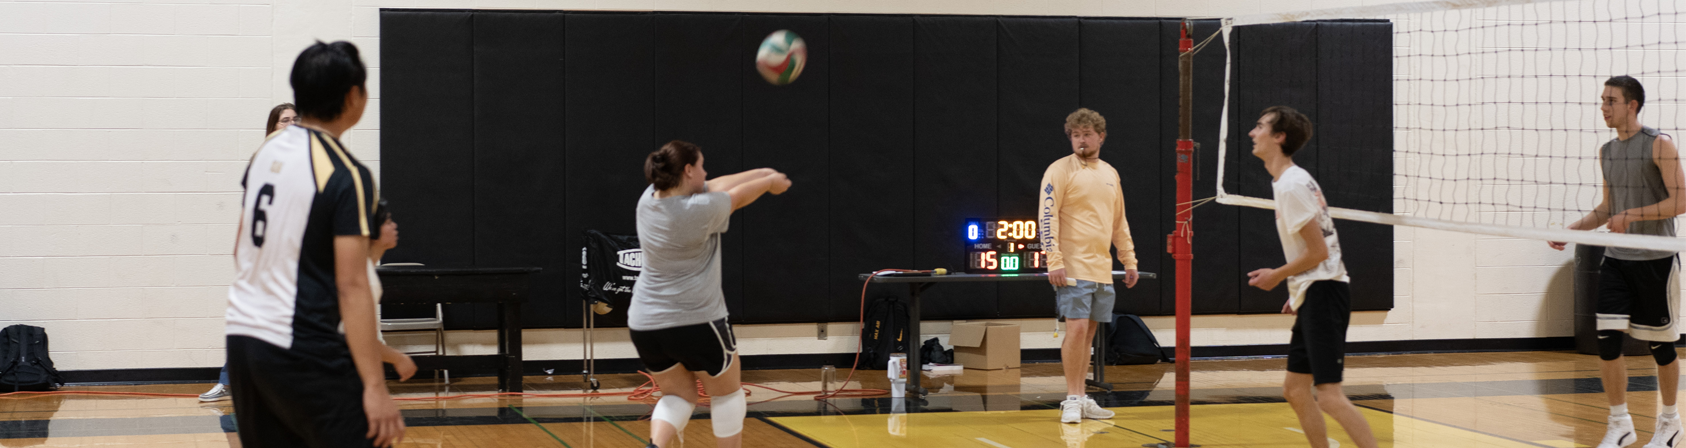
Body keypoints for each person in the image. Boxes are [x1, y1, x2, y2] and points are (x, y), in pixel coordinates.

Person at [225, 41, 408, 448]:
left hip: (242, 342)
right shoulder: (346, 172)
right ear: (353, 97)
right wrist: (376, 388)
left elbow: (240, 249)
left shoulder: (264, 154)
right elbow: (352, 284)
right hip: (301, 347)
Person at [1549, 75, 1684, 448]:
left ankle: (1670, 422)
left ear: (1632, 105)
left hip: (1656, 259)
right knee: (1607, 341)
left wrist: (1634, 215)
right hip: (1617, 260)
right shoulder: (1607, 151)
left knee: (1662, 348)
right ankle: (1620, 423)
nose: (1604, 107)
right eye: (1602, 100)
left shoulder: (1659, 145)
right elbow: (1608, 208)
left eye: (1611, 100)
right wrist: (1572, 231)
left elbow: (1682, 201)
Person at [630, 140, 790, 448]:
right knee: (727, 393)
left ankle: (655, 446)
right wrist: (770, 181)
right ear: (689, 171)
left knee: (680, 395)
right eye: (701, 166)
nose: (707, 172)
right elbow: (736, 196)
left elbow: (712, 185)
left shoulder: (649, 199)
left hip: (645, 324)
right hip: (696, 321)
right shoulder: (701, 210)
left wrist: (759, 171)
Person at [1244, 106, 1377, 448]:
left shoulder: (1291, 186)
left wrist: (1278, 276)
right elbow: (1322, 248)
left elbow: (1318, 251)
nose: (1252, 133)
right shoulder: (1289, 181)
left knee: (1329, 396)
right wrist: (1299, 287)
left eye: (1260, 127)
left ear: (1279, 137)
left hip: (1325, 292)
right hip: (1316, 289)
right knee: (1295, 389)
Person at [1039, 107, 1140, 424]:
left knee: (1089, 334)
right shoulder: (1059, 170)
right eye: (1076, 135)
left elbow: (1118, 221)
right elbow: (1047, 217)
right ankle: (1071, 397)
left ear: (1101, 136)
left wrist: (1129, 259)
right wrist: (1054, 260)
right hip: (1071, 268)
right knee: (1077, 328)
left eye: (1087, 134)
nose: (1081, 140)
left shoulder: (1110, 173)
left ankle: (1082, 397)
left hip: (1102, 269)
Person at [202, 102, 298, 404]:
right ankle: (231, 382)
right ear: (272, 128)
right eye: (285, 120)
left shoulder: (310, 161)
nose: (292, 123)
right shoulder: (264, 161)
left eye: (297, 119)